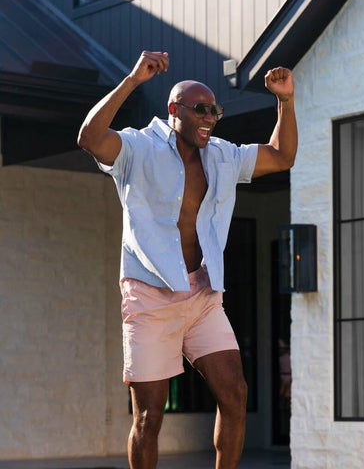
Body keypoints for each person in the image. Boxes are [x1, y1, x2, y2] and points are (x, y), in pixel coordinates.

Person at [77, 50, 297, 469]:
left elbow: (281, 155)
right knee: (149, 416)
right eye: (201, 109)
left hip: (202, 295)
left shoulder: (222, 155)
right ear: (174, 110)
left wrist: (284, 101)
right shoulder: (138, 148)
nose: (210, 117)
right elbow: (89, 138)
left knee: (234, 393)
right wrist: (131, 79)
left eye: (215, 110)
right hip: (150, 299)